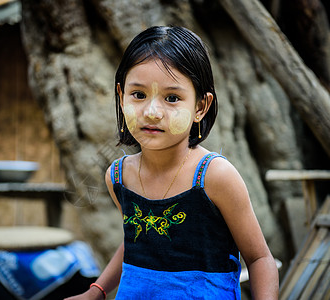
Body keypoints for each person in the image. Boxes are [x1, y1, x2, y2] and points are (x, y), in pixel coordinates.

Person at [66, 25, 278, 299]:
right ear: (121, 97)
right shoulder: (119, 177)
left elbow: (260, 258)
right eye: (138, 95)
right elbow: (135, 242)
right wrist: (96, 291)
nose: (152, 112)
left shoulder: (214, 176)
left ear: (200, 107)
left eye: (172, 98)